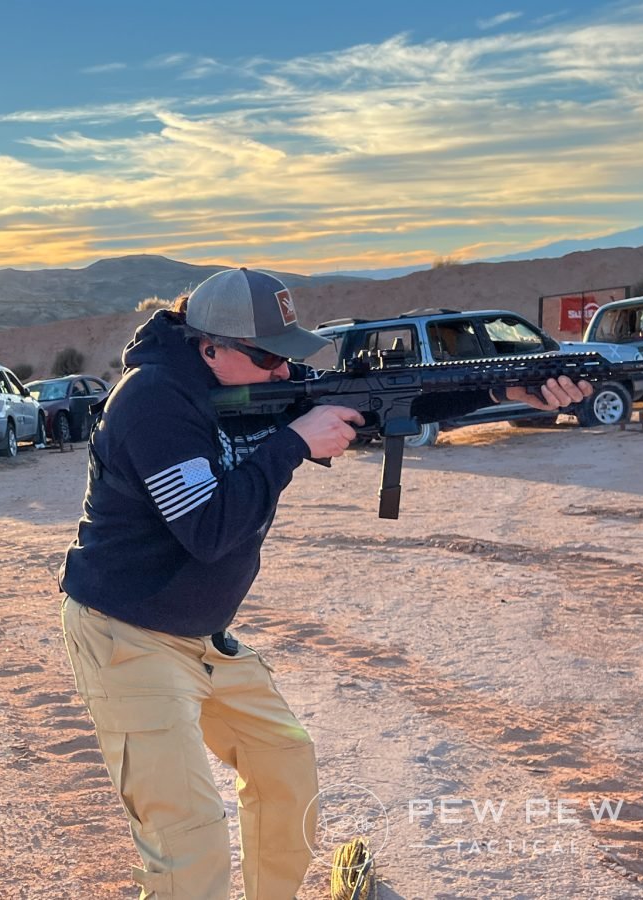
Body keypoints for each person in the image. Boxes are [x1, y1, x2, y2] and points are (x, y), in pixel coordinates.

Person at [58, 267, 591, 900]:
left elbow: (397, 397)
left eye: (289, 354)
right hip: (127, 638)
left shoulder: (263, 382)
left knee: (286, 772)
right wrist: (290, 443)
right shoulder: (151, 401)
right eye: (268, 356)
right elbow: (208, 528)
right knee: (187, 839)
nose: (286, 371)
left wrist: (507, 386)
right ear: (210, 348)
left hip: (201, 636)